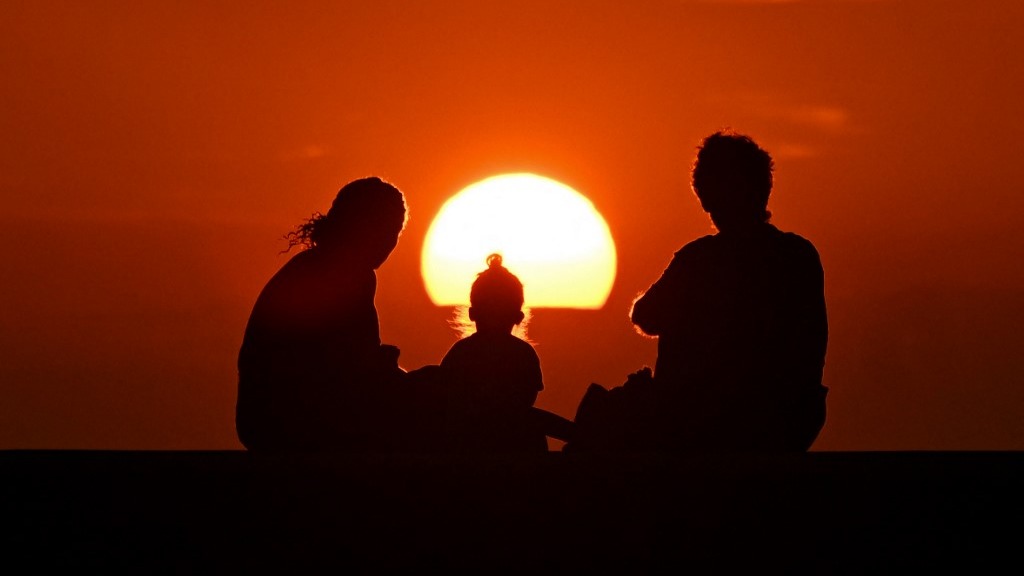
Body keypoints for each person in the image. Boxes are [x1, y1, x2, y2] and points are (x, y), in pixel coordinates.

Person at [570, 130, 828, 452]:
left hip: (705, 422)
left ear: (709, 194)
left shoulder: (699, 260)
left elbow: (645, 315)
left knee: (601, 413)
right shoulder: (799, 255)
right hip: (789, 420)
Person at [235, 176, 410, 452]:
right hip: (294, 424)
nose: (390, 241)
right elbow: (355, 370)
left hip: (262, 423)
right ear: (360, 225)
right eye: (386, 228)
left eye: (396, 231)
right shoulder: (348, 274)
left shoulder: (310, 266)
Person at [438, 254, 550, 453]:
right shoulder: (524, 356)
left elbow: (445, 400)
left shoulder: (460, 354)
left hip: (464, 449)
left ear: (472, 313)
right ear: (518, 317)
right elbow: (526, 406)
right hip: (517, 449)